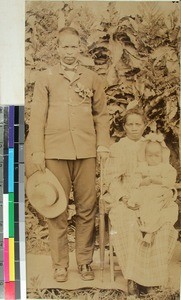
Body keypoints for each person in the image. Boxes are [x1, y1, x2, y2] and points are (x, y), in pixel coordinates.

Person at [29, 26, 110, 282]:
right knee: (56, 209)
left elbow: (102, 115)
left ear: (80, 48)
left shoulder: (92, 78)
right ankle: (60, 264)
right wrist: (38, 151)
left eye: (74, 46)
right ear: (58, 48)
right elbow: (38, 116)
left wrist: (103, 145)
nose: (69, 52)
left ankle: (85, 262)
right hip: (54, 151)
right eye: (64, 46)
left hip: (86, 152)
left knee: (87, 208)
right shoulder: (46, 77)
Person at [104, 108, 178, 296]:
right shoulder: (118, 148)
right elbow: (111, 179)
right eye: (130, 124)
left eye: (138, 124)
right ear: (124, 126)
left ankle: (153, 278)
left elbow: (167, 174)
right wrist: (124, 197)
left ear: (144, 125)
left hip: (154, 196)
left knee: (163, 220)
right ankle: (133, 278)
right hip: (128, 196)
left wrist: (170, 192)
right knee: (128, 220)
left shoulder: (154, 145)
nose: (134, 128)